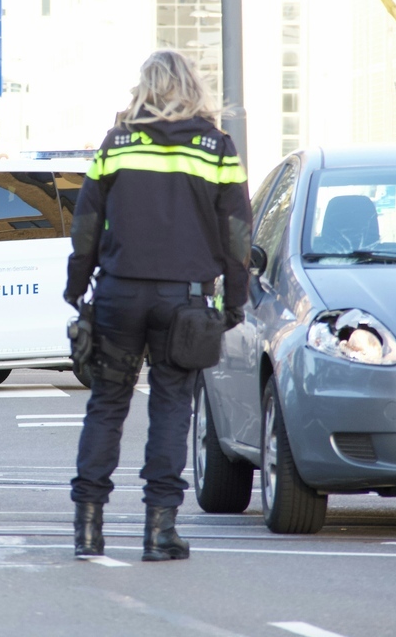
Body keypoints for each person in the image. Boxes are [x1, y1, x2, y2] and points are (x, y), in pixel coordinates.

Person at [64, 49, 253, 562]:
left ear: (144, 86)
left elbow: (86, 224)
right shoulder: (217, 147)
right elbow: (237, 233)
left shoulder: (117, 143)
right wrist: (235, 301)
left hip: (119, 293)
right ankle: (159, 532)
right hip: (185, 303)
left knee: (106, 405)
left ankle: (87, 530)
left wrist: (76, 285)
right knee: (172, 407)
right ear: (192, 86)